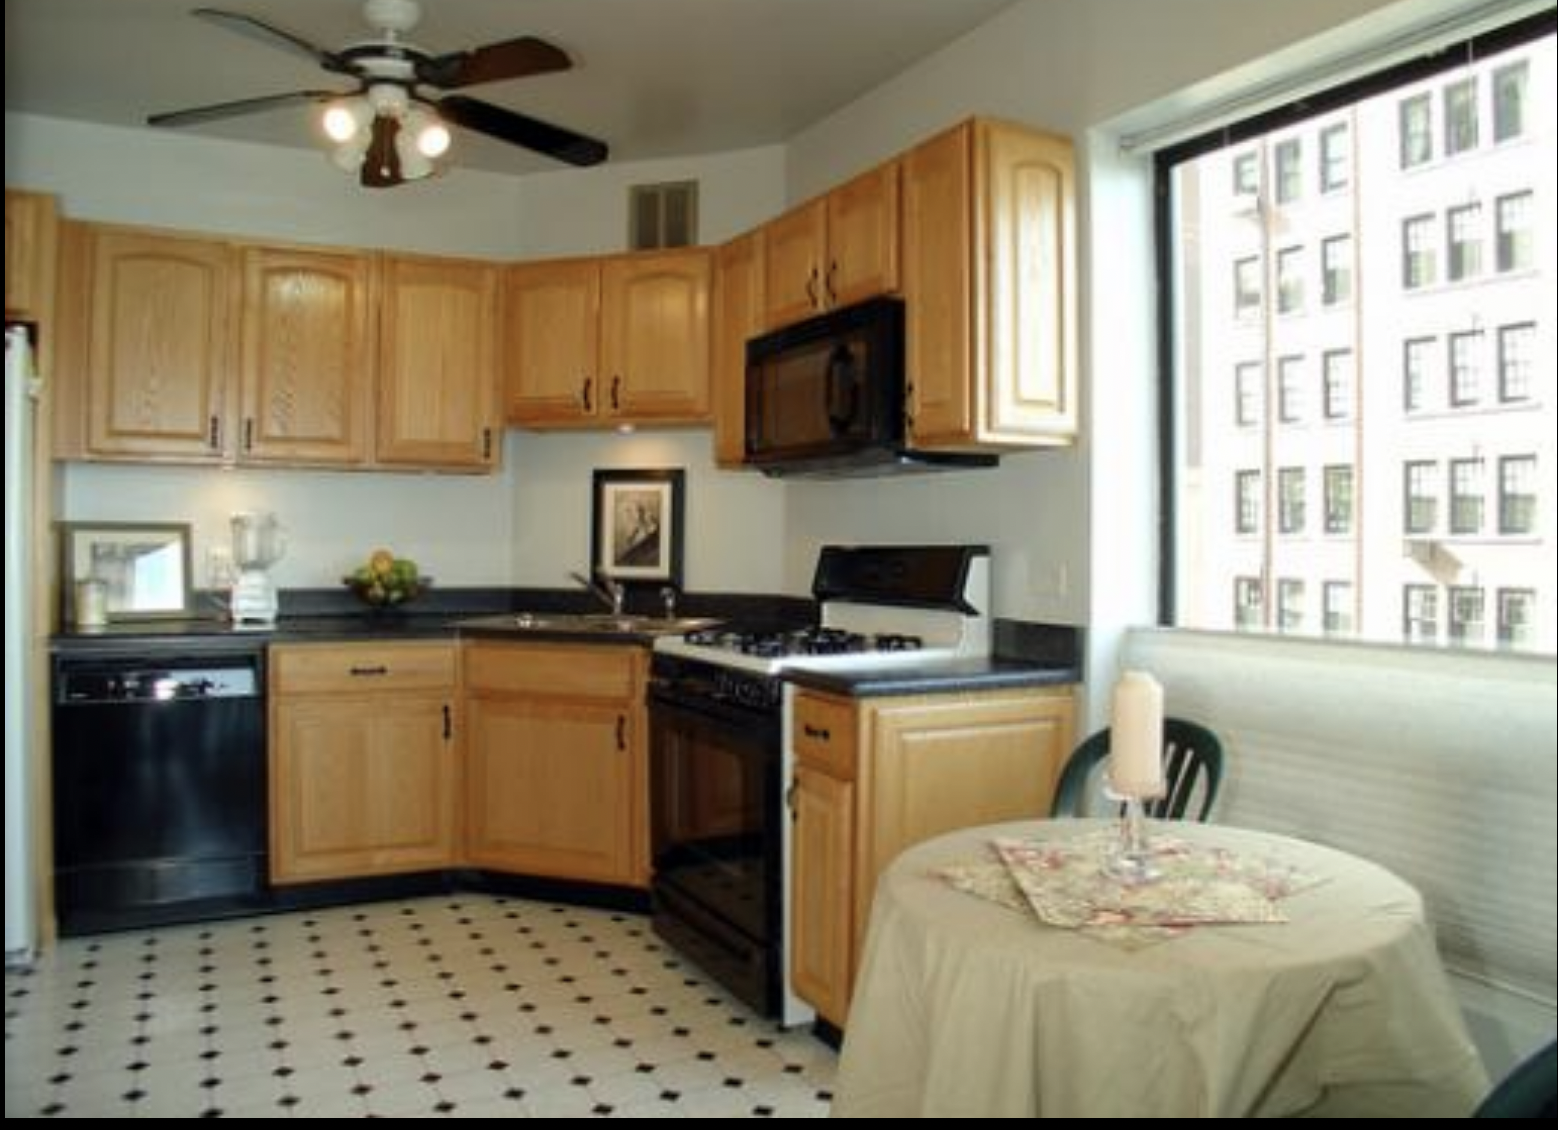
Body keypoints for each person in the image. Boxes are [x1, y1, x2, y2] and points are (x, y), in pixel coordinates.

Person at [614, 496, 661, 568]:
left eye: (630, 511)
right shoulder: (635, 533)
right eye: (627, 511)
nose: (629, 516)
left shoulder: (652, 534)